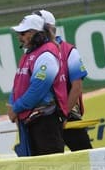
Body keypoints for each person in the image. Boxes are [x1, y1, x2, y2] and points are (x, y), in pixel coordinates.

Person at [6, 13, 68, 157]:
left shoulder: (46, 55)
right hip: (32, 121)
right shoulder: (29, 54)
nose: (19, 37)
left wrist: (16, 108)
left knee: (51, 166)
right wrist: (12, 104)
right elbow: (18, 84)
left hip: (45, 121)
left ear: (35, 33)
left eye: (23, 33)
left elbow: (38, 89)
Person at [39, 9, 93, 152]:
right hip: (45, 119)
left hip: (67, 116)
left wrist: (63, 115)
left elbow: (77, 87)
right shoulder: (33, 53)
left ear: (48, 29)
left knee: (84, 155)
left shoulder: (68, 51)